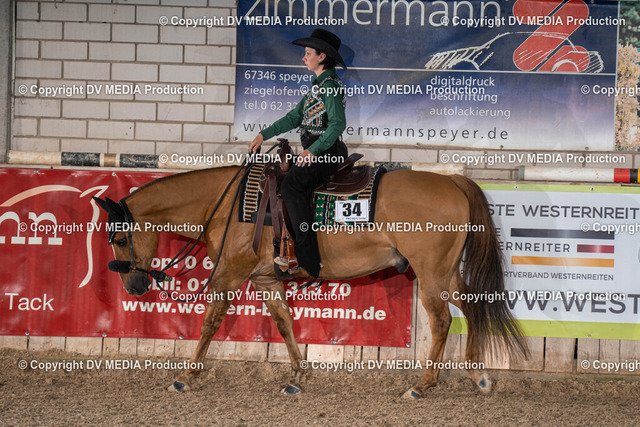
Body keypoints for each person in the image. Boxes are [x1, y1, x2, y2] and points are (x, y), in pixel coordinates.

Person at [249, 28, 348, 278]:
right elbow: (294, 117)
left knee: (292, 187)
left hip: (327, 151)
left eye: (308, 53)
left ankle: (306, 259)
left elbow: (337, 124)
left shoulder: (330, 87)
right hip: (318, 149)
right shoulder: (318, 87)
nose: (304, 58)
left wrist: (312, 150)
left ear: (322, 57)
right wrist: (263, 134)